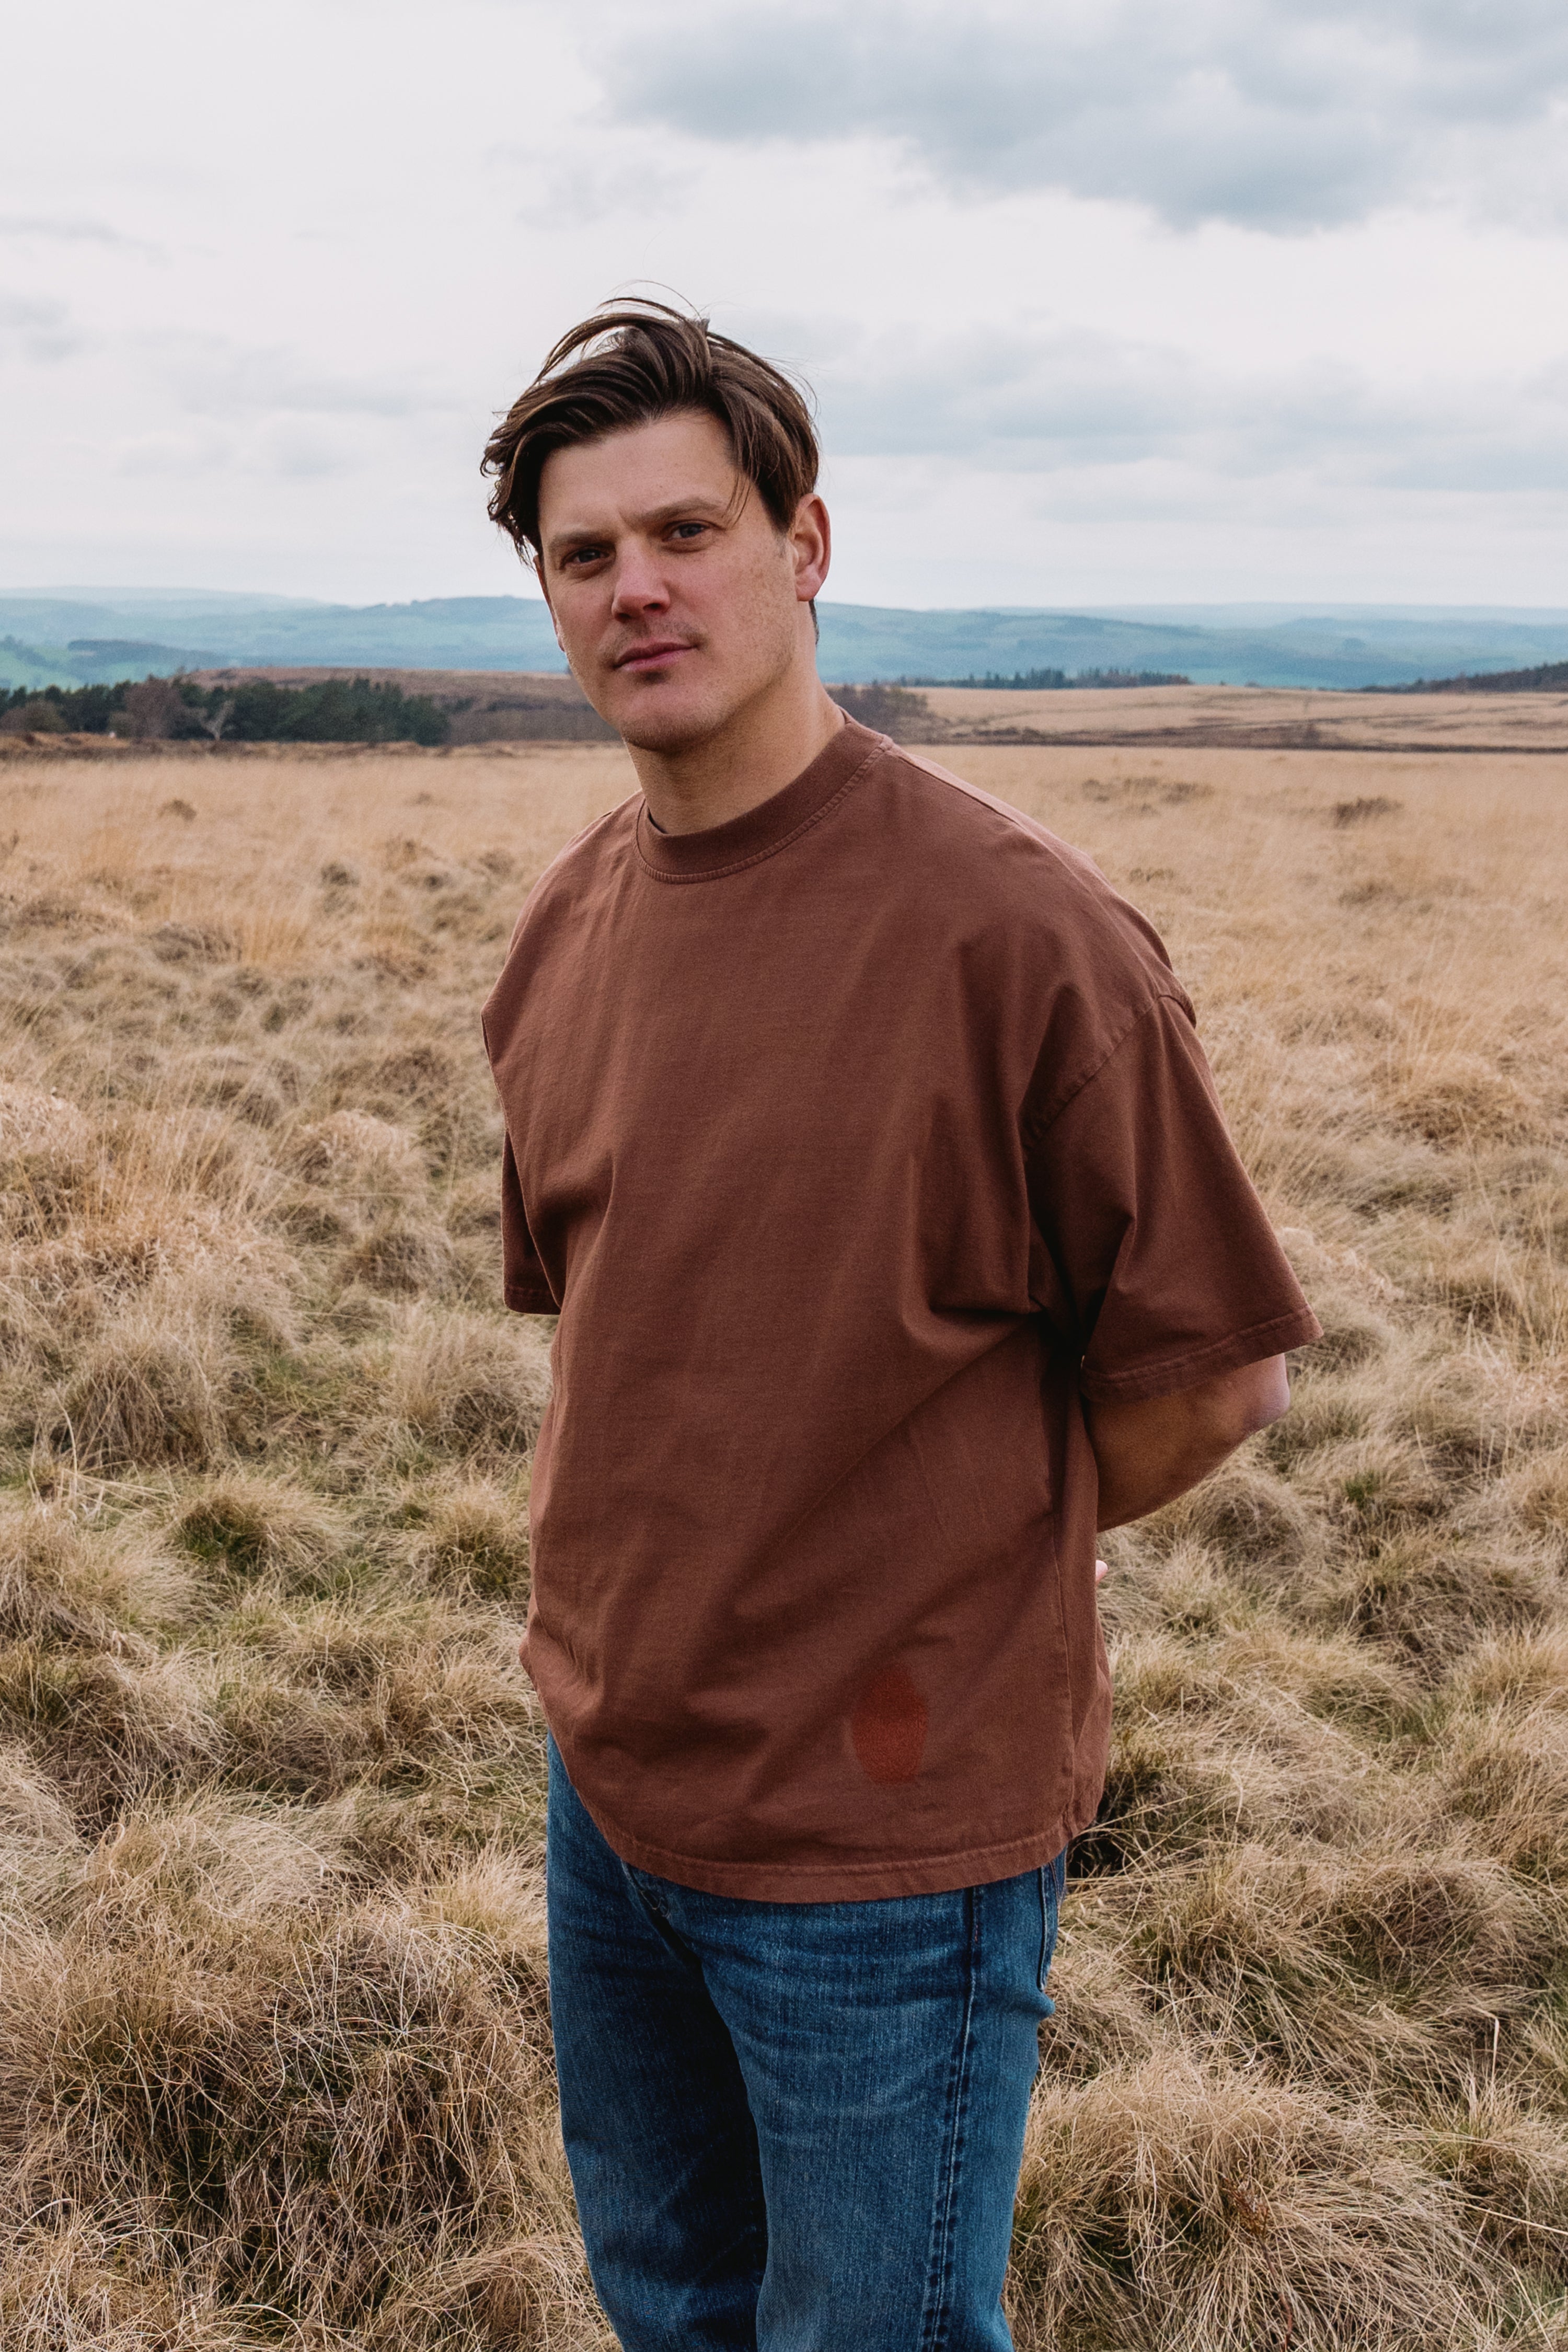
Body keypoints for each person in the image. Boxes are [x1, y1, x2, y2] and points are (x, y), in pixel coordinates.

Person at [479, 302, 1320, 2352]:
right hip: (614, 1789)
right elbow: (617, 1336)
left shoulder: (1022, 939)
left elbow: (1215, 1374)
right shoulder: (563, 934)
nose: (640, 588)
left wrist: (928, 1571)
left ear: (808, 545)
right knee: (672, 2302)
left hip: (886, 1854)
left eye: (688, 530)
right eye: (588, 557)